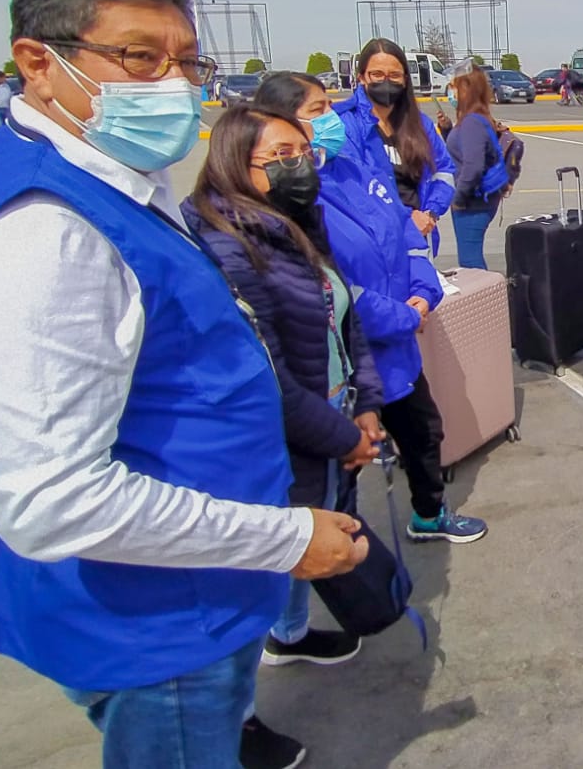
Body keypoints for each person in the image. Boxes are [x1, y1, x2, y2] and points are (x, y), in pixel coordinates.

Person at [0, 0, 364, 769]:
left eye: (185, 61)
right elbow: (53, 498)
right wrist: (282, 539)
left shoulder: (107, 181)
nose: (171, 83)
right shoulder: (42, 237)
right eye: (137, 56)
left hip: (190, 591)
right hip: (156, 622)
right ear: (37, 63)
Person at [183, 104, 385, 672]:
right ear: (233, 164)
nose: (300, 165)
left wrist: (365, 404)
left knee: (312, 532)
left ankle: (290, 635)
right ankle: (239, 709)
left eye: (303, 153)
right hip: (293, 432)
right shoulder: (229, 246)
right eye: (280, 156)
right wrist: (343, 437)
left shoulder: (295, 223)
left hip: (335, 416)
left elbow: (343, 319)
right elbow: (270, 379)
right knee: (270, 555)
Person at [262, 71, 488, 547]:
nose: (333, 117)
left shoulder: (355, 166)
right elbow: (337, 289)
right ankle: (340, 558)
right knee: (342, 467)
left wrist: (425, 292)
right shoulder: (295, 196)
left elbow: (403, 232)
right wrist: (405, 316)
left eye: (329, 106)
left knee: (424, 433)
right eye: (318, 110)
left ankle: (428, 515)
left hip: (399, 345)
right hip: (351, 356)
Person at [334, 39, 456, 253]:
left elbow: (444, 171)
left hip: (419, 239)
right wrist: (406, 219)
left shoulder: (420, 124)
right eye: (377, 74)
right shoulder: (347, 125)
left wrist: (430, 212)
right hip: (373, 245)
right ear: (362, 77)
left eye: (394, 75)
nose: (386, 81)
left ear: (405, 79)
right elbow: (354, 188)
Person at [443, 67, 504, 269]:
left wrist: (459, 199)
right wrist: (447, 130)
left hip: (473, 203)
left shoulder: (472, 123)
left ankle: (485, 299)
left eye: (453, 87)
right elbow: (463, 153)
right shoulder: (472, 119)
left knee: (470, 261)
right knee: (470, 259)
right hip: (475, 200)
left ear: (466, 89)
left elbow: (473, 166)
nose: (450, 91)